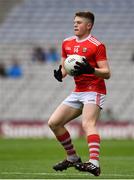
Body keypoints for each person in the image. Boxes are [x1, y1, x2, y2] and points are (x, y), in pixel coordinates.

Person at [48, 11, 111, 176]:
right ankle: (73, 157)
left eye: (79, 22)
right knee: (54, 123)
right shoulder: (66, 43)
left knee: (88, 124)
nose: (75, 24)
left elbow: (106, 73)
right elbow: (65, 68)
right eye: (74, 22)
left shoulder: (97, 45)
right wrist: (60, 74)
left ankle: (94, 163)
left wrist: (91, 70)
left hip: (94, 89)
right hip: (78, 91)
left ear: (88, 25)